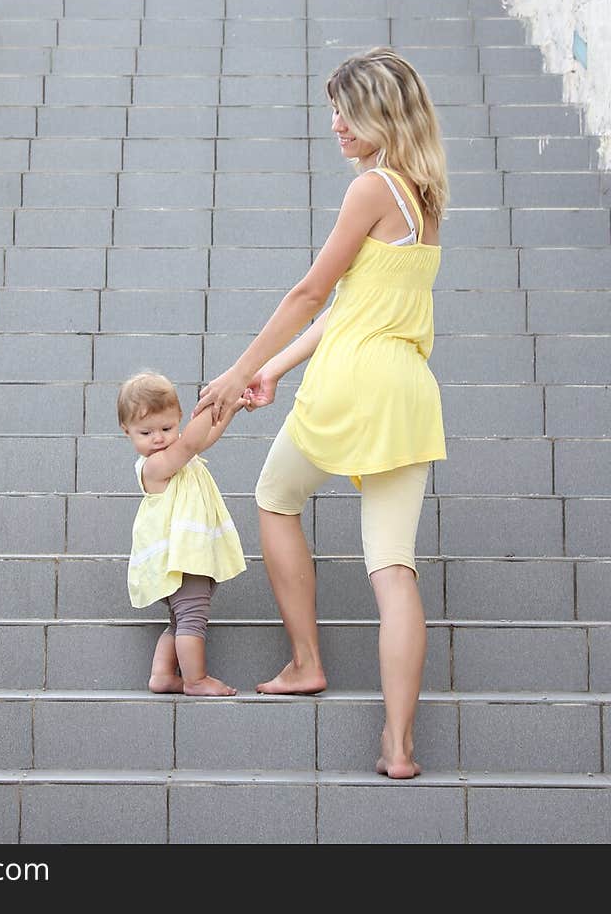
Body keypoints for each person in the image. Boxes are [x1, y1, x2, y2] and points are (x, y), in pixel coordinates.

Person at [194, 47, 448, 778]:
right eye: (331, 110)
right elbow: (353, 309)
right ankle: (398, 748)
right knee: (392, 569)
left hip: (351, 383)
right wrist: (269, 373)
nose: (334, 124)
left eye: (347, 110)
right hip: (405, 389)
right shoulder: (425, 197)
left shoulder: (371, 188)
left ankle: (306, 660)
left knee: (275, 496)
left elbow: (312, 294)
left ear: (382, 113)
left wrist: (237, 370)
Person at [119, 370, 247, 697]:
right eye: (146, 432)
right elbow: (191, 441)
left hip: (184, 555)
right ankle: (196, 679)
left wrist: (228, 411)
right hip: (181, 558)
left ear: (178, 418)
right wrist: (214, 400)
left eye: (166, 428)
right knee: (192, 619)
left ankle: (162, 675)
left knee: (179, 622)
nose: (158, 438)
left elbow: (203, 440)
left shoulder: (179, 457)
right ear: (127, 431)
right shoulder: (154, 467)